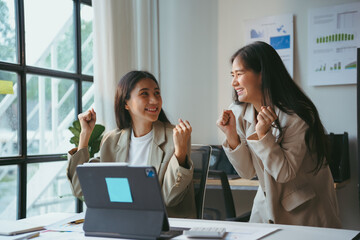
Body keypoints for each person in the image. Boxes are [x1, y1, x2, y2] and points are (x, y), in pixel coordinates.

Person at [216, 41, 341, 228]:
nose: (234, 82)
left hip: (306, 212)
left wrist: (263, 136)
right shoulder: (240, 113)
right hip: (265, 207)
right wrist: (231, 136)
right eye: (232, 75)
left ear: (262, 75)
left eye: (239, 74)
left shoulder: (297, 116)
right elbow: (248, 172)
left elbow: (284, 173)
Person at [67, 70, 196, 218]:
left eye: (157, 93)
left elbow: (169, 198)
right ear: (126, 103)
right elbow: (80, 189)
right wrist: (85, 135)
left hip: (162, 225)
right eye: (144, 94)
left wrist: (180, 153)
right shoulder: (111, 140)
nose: (154, 100)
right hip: (121, 222)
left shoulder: (174, 136)